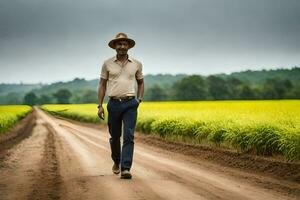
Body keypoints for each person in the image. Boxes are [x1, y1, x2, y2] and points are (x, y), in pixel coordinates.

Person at [97, 33, 144, 179]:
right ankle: (116, 161)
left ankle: (126, 168)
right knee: (115, 136)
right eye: (119, 44)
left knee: (129, 136)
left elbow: (141, 82)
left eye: (124, 44)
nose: (122, 46)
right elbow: (102, 84)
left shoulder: (136, 63)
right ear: (115, 47)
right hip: (113, 104)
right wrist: (99, 105)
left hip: (130, 104)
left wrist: (139, 100)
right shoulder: (107, 64)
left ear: (128, 46)